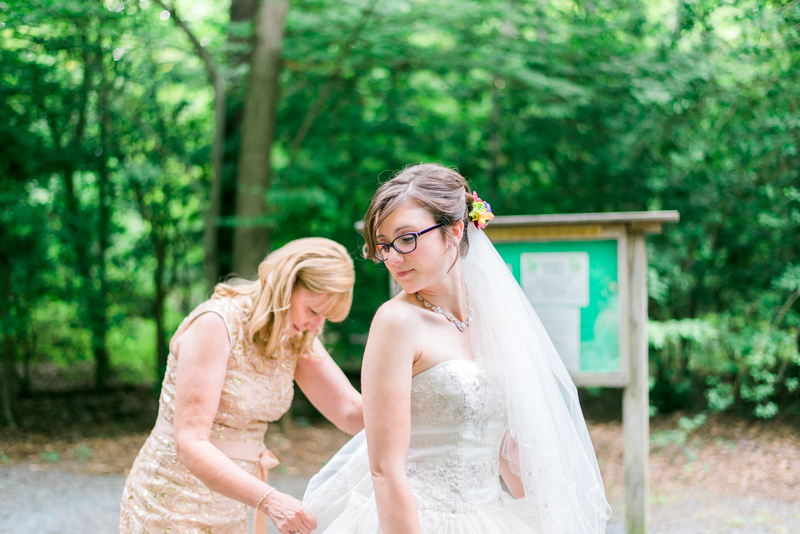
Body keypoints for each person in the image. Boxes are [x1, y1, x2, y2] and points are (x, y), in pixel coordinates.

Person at [303, 164, 612, 533]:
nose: (393, 258)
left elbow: (507, 443)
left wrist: (549, 519)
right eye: (384, 246)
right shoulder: (396, 323)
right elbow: (385, 470)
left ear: (455, 230)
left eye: (406, 239)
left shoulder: (495, 318)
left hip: (490, 516)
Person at [120, 238, 364, 534]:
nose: (316, 326)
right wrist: (270, 500)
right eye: (313, 311)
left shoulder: (297, 337)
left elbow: (350, 411)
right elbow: (190, 442)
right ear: (286, 285)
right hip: (171, 501)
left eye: (324, 317)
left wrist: (420, 399)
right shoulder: (216, 323)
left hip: (231, 506)